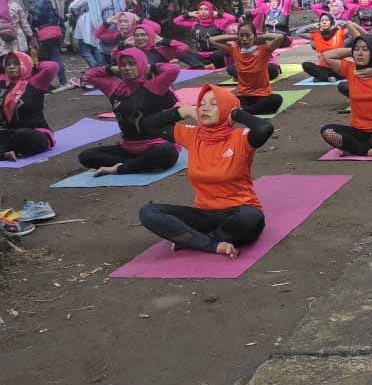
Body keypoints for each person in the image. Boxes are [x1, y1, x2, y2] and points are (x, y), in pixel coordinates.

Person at [138, 84, 272, 257]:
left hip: (239, 211)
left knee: (252, 218)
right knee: (149, 212)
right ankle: (212, 244)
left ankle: (192, 240)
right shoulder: (193, 135)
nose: (205, 108)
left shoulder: (241, 138)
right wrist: (184, 111)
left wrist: (236, 113)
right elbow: (149, 125)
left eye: (214, 104)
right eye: (201, 104)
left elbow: (264, 128)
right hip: (204, 215)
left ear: (226, 109)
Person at [80, 48, 182, 175]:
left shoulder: (153, 86)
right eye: (123, 65)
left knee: (167, 151)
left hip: (156, 145)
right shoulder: (114, 87)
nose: (127, 68)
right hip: (128, 147)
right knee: (86, 156)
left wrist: (148, 67)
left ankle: (120, 168)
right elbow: (88, 75)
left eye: (132, 64)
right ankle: (139, 164)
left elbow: (173, 69)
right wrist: (112, 69)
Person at [0, 52, 59, 161]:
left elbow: (52, 66)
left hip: (35, 134)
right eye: (8, 64)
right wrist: (0, 66)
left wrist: (33, 64)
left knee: (23, 135)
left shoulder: (36, 81)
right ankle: (2, 154)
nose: (11, 67)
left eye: (16, 63)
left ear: (25, 64)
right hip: (9, 133)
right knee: (14, 136)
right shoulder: (1, 81)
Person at [210, 23, 286, 115]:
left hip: (262, 95)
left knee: (276, 99)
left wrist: (258, 37)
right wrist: (236, 37)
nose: (244, 39)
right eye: (241, 36)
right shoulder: (235, 50)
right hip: (243, 96)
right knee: (222, 99)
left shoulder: (263, 50)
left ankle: (246, 111)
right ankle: (251, 110)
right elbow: (212, 40)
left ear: (254, 36)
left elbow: (280, 37)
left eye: (248, 35)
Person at [174, 2, 237, 68]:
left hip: (215, 55)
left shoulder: (218, 23)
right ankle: (203, 66)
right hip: (200, 55)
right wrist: (189, 14)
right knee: (180, 53)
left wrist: (218, 13)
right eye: (201, 9)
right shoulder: (195, 24)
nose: (203, 12)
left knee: (225, 53)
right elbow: (176, 21)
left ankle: (198, 65)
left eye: (206, 9)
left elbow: (232, 18)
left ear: (211, 11)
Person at [29, 0, 69, 89]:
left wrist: (32, 23)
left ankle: (46, 83)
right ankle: (63, 81)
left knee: (44, 58)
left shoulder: (42, 0)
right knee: (56, 56)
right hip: (58, 31)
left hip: (46, 33)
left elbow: (36, 18)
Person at [69, 0, 105, 70]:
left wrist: (75, 11)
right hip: (97, 20)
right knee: (94, 47)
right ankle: (101, 69)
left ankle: (96, 70)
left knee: (85, 50)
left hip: (86, 21)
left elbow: (73, 6)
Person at [298, 13, 348, 82]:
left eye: (326, 20)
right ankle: (327, 78)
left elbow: (349, 25)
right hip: (324, 68)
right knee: (306, 65)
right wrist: (313, 25)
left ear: (332, 22)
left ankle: (323, 77)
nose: (324, 22)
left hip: (338, 67)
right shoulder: (316, 34)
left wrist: (337, 23)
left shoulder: (340, 32)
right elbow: (298, 32)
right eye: (321, 21)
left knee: (351, 68)